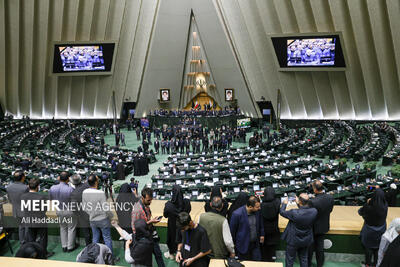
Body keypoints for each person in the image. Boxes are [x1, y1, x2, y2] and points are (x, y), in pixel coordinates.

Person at [280, 193, 317, 267]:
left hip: (293, 240)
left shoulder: (294, 212)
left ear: (300, 201)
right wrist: (299, 203)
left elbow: (282, 212)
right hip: (305, 240)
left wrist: (284, 204)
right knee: (304, 259)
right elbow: (304, 209)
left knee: (290, 260)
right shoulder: (314, 211)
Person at [131, 187, 165, 267]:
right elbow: (135, 228)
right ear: (142, 198)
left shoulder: (145, 204)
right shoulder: (137, 210)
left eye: (151, 200)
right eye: (148, 200)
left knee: (158, 254)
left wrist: (151, 221)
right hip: (143, 238)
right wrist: (151, 221)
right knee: (147, 260)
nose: (150, 202)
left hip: (150, 234)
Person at [21, 178, 54, 258]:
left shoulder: (23, 196)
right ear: (38, 187)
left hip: (29, 220)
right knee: (43, 238)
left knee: (31, 239)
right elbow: (45, 209)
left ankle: (32, 254)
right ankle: (43, 254)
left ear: (28, 186)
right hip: (40, 220)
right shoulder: (42, 197)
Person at [82, 174, 114, 256]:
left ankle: (94, 256)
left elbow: (84, 207)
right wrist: (111, 216)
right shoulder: (100, 192)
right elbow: (105, 208)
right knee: (107, 239)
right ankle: (109, 257)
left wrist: (92, 213)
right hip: (103, 219)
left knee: (95, 239)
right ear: (96, 182)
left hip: (92, 219)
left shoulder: (84, 192)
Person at [359, 187, 388, 267]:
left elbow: (360, 212)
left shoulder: (369, 207)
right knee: (377, 248)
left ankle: (367, 264)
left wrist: (367, 203)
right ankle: (375, 264)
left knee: (368, 248)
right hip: (381, 230)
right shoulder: (385, 205)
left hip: (369, 231)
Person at [308, 180, 334, 267]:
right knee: (320, 247)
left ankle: (308, 264)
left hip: (313, 227)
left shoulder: (312, 201)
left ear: (315, 189)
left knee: (310, 248)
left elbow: (309, 214)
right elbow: (330, 210)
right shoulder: (330, 198)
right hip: (323, 226)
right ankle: (320, 264)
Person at [230, 195, 264, 261]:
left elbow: (261, 223)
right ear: (250, 207)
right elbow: (232, 232)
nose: (259, 208)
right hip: (243, 246)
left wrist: (262, 234)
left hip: (255, 245)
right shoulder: (237, 214)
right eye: (257, 207)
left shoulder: (257, 211)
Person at [49, 171, 77, 253]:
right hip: (69, 210)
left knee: (63, 228)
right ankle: (70, 247)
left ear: (59, 178)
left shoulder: (52, 188)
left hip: (59, 210)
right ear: (68, 179)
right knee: (71, 228)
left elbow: (51, 200)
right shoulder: (70, 189)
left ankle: (64, 246)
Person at [163, 185, 192, 259]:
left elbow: (165, 215)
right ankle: (184, 253)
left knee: (172, 239)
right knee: (184, 238)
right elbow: (188, 211)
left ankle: (171, 254)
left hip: (172, 225)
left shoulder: (168, 205)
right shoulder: (187, 202)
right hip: (184, 225)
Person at [6, 170, 28, 245]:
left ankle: (22, 243)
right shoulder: (25, 188)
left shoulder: (8, 187)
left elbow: (9, 200)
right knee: (27, 228)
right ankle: (28, 243)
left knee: (21, 227)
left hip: (15, 210)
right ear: (22, 177)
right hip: (25, 211)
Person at [70, 174, 91, 246]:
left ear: (72, 183)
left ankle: (89, 248)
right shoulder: (88, 185)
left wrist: (77, 214)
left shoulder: (74, 193)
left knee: (87, 234)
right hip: (93, 212)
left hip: (82, 215)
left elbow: (74, 208)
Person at [260, 187, 281, 262]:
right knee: (272, 249)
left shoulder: (261, 205)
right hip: (274, 229)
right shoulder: (277, 203)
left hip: (265, 231)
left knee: (265, 250)